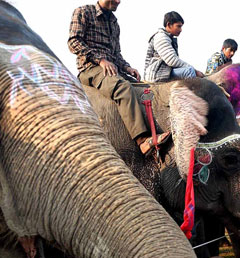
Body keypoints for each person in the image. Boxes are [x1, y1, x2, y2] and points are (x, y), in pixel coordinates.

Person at [68, 0, 169, 155]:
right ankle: (142, 141)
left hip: (112, 69)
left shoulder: (114, 22)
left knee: (143, 88)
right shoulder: (83, 12)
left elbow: (116, 55)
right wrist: (100, 60)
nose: (119, 1)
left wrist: (127, 68)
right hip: (90, 68)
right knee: (123, 88)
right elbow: (73, 42)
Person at [143, 11, 204, 83]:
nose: (181, 30)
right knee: (189, 71)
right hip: (157, 74)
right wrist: (195, 71)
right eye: (178, 26)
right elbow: (172, 61)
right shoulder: (161, 37)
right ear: (169, 25)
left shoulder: (168, 37)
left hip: (166, 71)